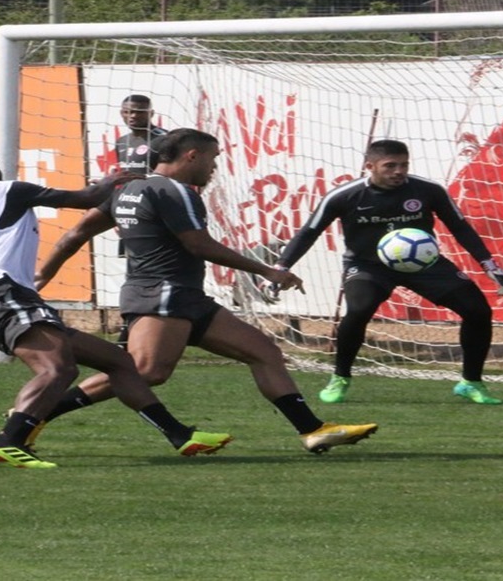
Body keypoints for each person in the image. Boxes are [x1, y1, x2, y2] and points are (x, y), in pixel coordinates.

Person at [37, 128, 380, 454]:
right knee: (145, 372)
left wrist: (42, 275)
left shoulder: (128, 189)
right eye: (213, 159)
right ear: (191, 155)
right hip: (164, 294)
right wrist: (268, 270)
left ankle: (313, 430)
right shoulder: (175, 191)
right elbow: (199, 245)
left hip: (183, 297)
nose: (215, 168)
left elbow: (74, 234)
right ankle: (33, 415)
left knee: (263, 351)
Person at [0, 144, 233, 469]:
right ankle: (7, 441)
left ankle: (180, 435)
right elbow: (84, 198)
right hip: (4, 296)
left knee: (119, 362)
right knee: (57, 369)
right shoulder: (4, 191)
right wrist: (118, 179)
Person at [272, 139, 503, 405]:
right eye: (390, 166)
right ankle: (340, 377)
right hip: (367, 266)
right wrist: (281, 268)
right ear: (370, 166)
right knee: (359, 310)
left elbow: (460, 227)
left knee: (478, 310)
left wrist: (489, 265)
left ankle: (471, 382)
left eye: (403, 165)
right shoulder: (344, 196)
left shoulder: (428, 190)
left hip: (424, 264)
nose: (399, 171)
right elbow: (309, 231)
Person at [35, 94, 166, 294]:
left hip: (149, 203)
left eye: (138, 112)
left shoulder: (164, 140)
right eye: (127, 112)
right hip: (122, 197)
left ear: (151, 113)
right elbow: (129, 172)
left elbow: (172, 175)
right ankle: (38, 280)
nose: (131, 116)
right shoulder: (123, 141)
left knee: (141, 257)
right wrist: (109, 181)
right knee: (77, 233)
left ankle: (142, 303)